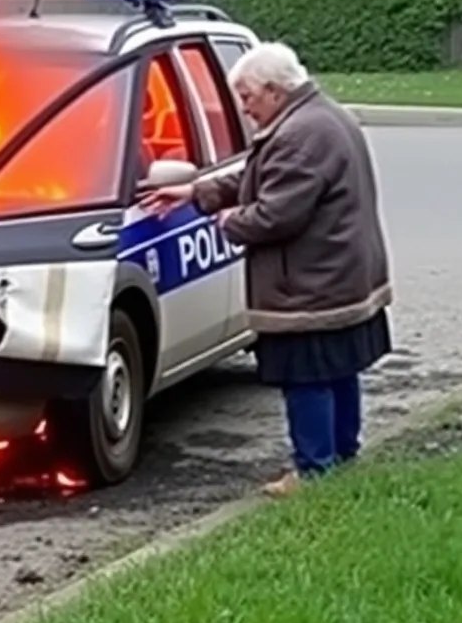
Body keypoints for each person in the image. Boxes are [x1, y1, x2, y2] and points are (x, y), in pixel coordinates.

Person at [142, 41, 392, 497]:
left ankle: (315, 472)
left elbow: (277, 214)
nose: (244, 108)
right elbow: (261, 177)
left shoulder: (300, 134)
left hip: (309, 285)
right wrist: (197, 191)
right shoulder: (318, 117)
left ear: (275, 91)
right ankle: (341, 457)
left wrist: (227, 220)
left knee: (307, 377)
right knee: (337, 371)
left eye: (248, 97)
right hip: (338, 276)